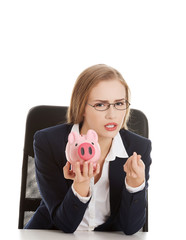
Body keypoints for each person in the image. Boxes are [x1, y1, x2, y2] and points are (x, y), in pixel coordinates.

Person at [25, 64, 152, 235]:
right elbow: (65, 225)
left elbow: (130, 228)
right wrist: (81, 184)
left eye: (119, 103)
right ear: (82, 107)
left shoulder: (138, 147)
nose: (112, 115)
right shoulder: (48, 142)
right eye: (100, 104)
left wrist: (135, 186)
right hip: (51, 234)